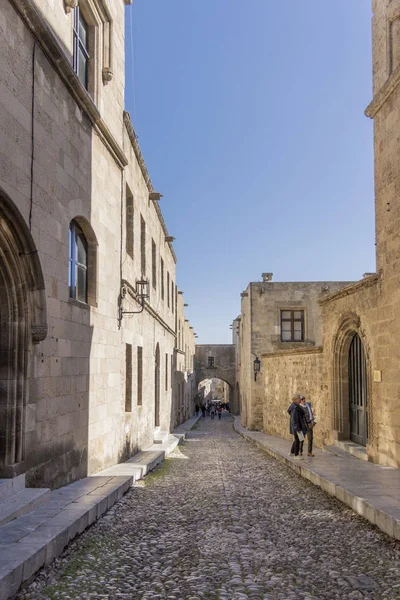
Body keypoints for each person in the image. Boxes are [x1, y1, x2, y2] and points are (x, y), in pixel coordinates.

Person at [287, 393, 308, 459]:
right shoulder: (295, 408)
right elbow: (294, 419)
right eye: (299, 398)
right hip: (297, 427)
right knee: (297, 440)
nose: (300, 399)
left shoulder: (295, 406)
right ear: (296, 399)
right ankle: (296, 455)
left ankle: (292, 452)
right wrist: (297, 428)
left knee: (297, 440)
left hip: (297, 426)